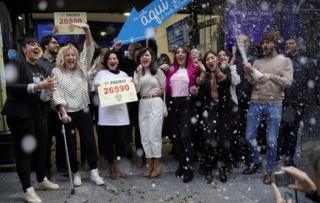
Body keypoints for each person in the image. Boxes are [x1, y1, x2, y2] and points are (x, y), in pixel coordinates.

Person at [2, 37, 59, 203]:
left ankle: (41, 180)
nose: (36, 47)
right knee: (24, 152)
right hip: (19, 115)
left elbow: (42, 96)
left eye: (38, 45)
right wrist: (37, 86)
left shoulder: (41, 68)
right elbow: (10, 86)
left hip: (38, 114)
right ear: (24, 48)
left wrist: (47, 91)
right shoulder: (15, 63)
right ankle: (27, 189)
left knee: (42, 148)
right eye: (32, 44)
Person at [52, 23, 104, 186]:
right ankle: (75, 172)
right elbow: (56, 93)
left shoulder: (81, 67)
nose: (71, 58)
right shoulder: (56, 72)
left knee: (89, 141)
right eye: (67, 55)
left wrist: (87, 30)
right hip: (67, 113)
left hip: (84, 110)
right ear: (62, 57)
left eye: (73, 55)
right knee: (70, 143)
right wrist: (62, 111)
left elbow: (88, 49)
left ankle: (94, 171)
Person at [242, 32, 293, 184]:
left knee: (271, 140)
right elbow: (252, 82)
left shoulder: (285, 61)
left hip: (275, 104)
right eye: (263, 42)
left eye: (268, 42)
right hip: (255, 102)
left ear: (274, 43)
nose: (264, 45)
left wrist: (272, 76)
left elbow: (288, 82)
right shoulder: (257, 62)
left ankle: (270, 170)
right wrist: (249, 72)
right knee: (249, 137)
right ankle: (257, 162)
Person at [277, 37, 319, 166]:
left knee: (292, 130)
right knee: (281, 129)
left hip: (296, 103)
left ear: (298, 46)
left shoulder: (307, 62)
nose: (287, 45)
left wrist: (306, 100)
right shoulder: (281, 62)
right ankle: (282, 155)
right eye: (286, 43)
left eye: (291, 43)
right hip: (280, 101)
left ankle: (288, 158)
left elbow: (312, 83)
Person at [93, 50, 132, 180]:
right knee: (108, 143)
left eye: (114, 58)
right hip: (106, 116)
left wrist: (131, 84)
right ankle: (111, 166)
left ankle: (121, 165)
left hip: (121, 116)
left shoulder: (124, 75)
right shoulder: (101, 74)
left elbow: (130, 91)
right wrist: (98, 87)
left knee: (121, 143)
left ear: (118, 60)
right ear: (106, 61)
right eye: (110, 59)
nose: (112, 61)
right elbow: (96, 89)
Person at [196, 51, 234, 184]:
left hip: (224, 111)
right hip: (209, 111)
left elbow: (226, 80)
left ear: (217, 60)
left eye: (212, 58)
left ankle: (223, 168)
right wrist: (203, 72)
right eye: (207, 59)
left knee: (224, 141)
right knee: (209, 141)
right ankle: (208, 169)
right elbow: (199, 86)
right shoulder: (203, 75)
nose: (210, 61)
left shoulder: (225, 70)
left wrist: (216, 69)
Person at [165, 46, 199, 183]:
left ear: (187, 55)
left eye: (182, 52)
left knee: (186, 137)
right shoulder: (171, 70)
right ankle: (181, 164)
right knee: (176, 138)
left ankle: (189, 168)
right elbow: (167, 88)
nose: (179, 55)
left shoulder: (193, 69)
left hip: (187, 104)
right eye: (177, 53)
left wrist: (196, 91)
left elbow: (199, 85)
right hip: (173, 105)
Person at [134, 47, 167, 178]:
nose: (144, 58)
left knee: (154, 135)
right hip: (143, 103)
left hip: (155, 103)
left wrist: (164, 104)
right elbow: (136, 90)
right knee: (145, 136)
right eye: (142, 56)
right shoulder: (138, 72)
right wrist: (137, 75)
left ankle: (157, 164)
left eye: (147, 55)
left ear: (152, 57)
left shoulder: (157, 71)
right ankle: (149, 164)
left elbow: (165, 89)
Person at [37, 35, 67, 176]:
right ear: (45, 45)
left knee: (62, 137)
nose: (57, 45)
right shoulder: (38, 62)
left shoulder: (60, 62)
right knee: (46, 139)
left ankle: (62, 165)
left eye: (57, 43)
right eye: (54, 42)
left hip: (59, 105)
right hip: (44, 107)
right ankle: (46, 168)